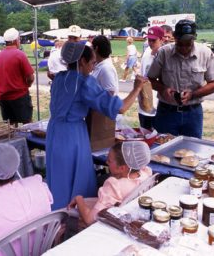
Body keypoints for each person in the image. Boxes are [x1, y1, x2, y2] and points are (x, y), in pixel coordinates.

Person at [46, 41, 147, 210]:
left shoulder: (59, 78)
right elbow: (120, 108)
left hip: (54, 132)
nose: (93, 68)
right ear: (82, 62)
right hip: (73, 135)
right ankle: (78, 211)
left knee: (58, 176)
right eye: (92, 63)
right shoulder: (85, 82)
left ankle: (56, 215)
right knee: (77, 174)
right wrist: (136, 88)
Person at [148, 20, 214, 138]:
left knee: (192, 152)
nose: (184, 48)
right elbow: (150, 80)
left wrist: (193, 94)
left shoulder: (205, 53)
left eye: (188, 44)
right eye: (180, 43)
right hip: (166, 112)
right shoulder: (164, 52)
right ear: (175, 38)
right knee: (161, 151)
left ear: (194, 38)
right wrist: (163, 89)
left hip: (193, 113)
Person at [68, 141, 152, 226]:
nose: (106, 162)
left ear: (122, 168)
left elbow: (89, 219)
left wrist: (78, 199)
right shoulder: (145, 173)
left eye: (109, 161)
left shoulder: (114, 186)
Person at [0, 28, 34, 124]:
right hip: (20, 96)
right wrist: (27, 84)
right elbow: (30, 77)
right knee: (27, 124)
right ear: (16, 40)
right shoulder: (20, 55)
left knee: (9, 128)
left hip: (3, 98)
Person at [138, 27, 164, 129]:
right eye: (149, 40)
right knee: (145, 132)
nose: (151, 43)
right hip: (144, 101)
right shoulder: (147, 52)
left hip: (158, 104)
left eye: (154, 40)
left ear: (162, 40)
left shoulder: (165, 55)